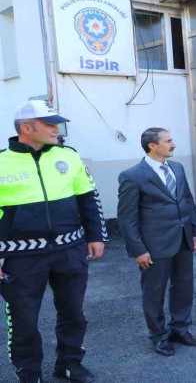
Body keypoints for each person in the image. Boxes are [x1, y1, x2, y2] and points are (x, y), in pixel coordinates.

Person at [0, 100, 106, 383]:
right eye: (49, 124)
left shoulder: (68, 156)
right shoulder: (1, 162)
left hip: (69, 250)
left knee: (74, 313)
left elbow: (88, 197)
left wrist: (96, 235)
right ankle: (29, 374)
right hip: (20, 257)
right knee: (23, 320)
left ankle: (69, 364)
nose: (56, 129)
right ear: (26, 128)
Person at [117, 128, 196, 357]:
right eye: (169, 141)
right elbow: (127, 218)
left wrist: (195, 230)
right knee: (154, 292)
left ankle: (180, 328)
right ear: (152, 146)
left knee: (184, 286)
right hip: (154, 246)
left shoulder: (177, 168)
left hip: (183, 239)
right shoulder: (132, 176)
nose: (173, 144)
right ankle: (159, 335)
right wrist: (138, 250)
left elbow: (187, 200)